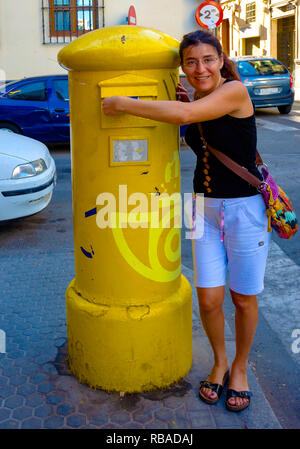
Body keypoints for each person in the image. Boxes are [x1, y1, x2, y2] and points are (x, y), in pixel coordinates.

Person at [103, 30, 270, 412]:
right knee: (209, 300)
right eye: (190, 62)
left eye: (208, 59)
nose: (200, 68)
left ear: (221, 58)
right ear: (182, 66)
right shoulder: (197, 94)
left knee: (243, 299)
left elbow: (184, 117)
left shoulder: (234, 92)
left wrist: (121, 103)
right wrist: (187, 97)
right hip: (201, 207)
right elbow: (189, 113)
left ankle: (240, 368)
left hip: (244, 208)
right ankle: (220, 361)